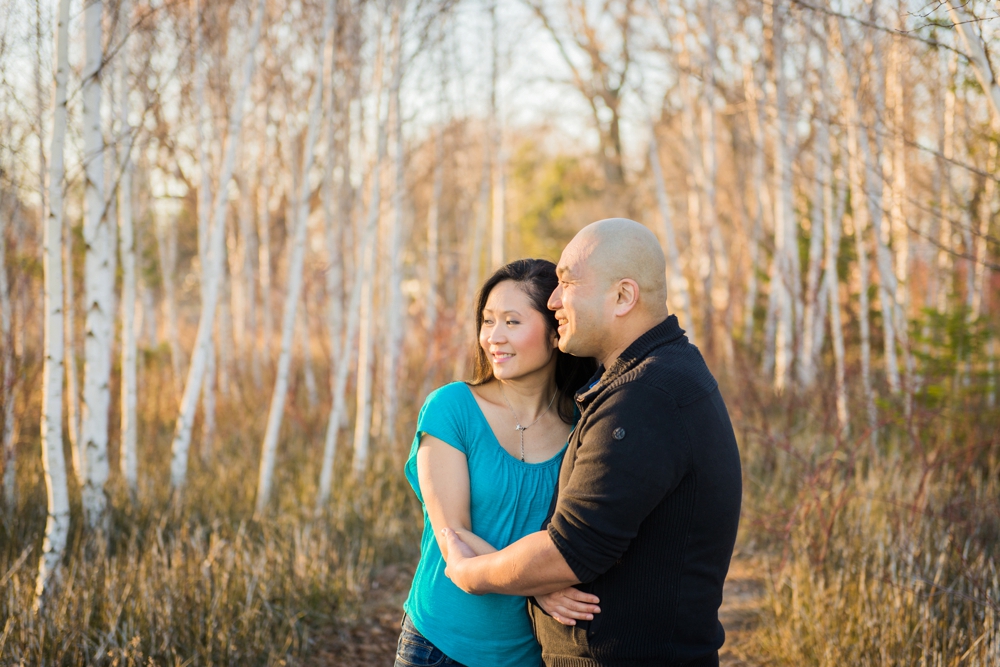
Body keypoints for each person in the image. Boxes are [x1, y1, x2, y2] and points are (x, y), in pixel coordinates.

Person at [442, 218, 743, 667]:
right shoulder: (656, 376)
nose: (553, 299)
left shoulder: (646, 396)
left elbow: (571, 549)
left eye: (567, 282)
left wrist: (471, 574)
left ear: (623, 296)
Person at [395, 259, 598, 667]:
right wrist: (536, 586)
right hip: (439, 645)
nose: (494, 338)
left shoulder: (582, 426)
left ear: (556, 331)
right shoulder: (451, 408)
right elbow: (454, 533)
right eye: (488, 321)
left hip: (530, 652)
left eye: (512, 322)